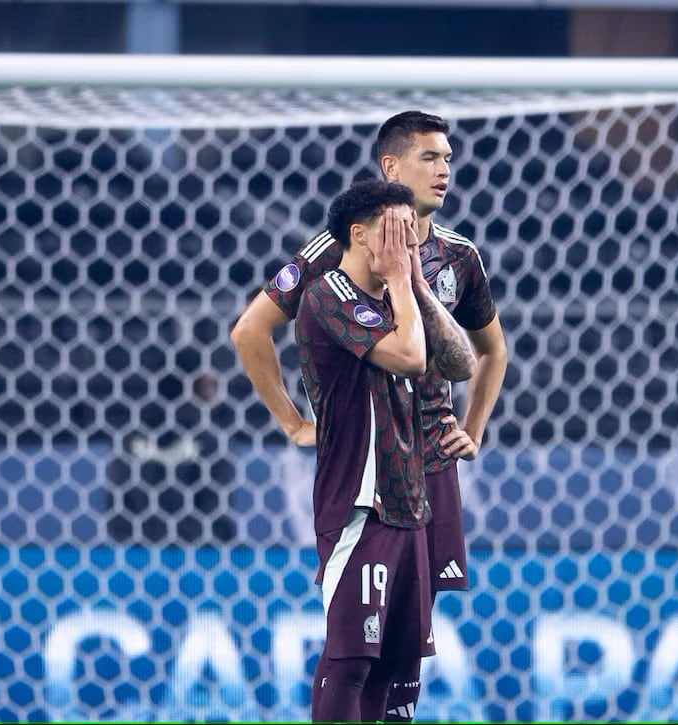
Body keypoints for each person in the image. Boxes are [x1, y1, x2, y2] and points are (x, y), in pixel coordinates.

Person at [231, 110, 508, 721]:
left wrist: (474, 430)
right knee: (358, 643)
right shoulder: (339, 252)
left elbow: (489, 352)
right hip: (366, 462)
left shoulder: (459, 256)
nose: (444, 171)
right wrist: (293, 422)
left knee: (409, 643)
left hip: (429, 461)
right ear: (391, 166)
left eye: (448, 159)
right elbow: (251, 329)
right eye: (430, 158)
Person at [296, 179, 468, 722]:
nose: (411, 243)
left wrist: (412, 280)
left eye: (413, 233)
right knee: (350, 663)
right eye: (397, 232)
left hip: (412, 505)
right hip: (360, 504)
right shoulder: (330, 295)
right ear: (360, 234)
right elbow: (413, 358)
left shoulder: (400, 298)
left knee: (401, 671)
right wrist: (402, 280)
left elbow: (460, 362)